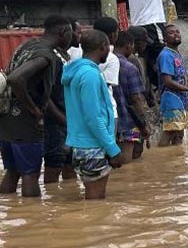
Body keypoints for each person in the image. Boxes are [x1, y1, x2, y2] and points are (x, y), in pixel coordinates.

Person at [0, 15, 73, 197]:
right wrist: (34, 109)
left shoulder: (27, 45)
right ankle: (33, 212)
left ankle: (15, 211)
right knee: (30, 174)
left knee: (12, 172)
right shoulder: (45, 56)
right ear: (63, 32)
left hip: (7, 119)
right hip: (25, 122)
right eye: (71, 33)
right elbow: (15, 79)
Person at [63, 29, 126, 199]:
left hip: (80, 145)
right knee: (96, 200)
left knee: (94, 199)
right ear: (103, 46)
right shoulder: (90, 75)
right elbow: (93, 117)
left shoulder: (77, 71)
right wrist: (112, 149)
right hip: (92, 146)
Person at [122, 0, 175, 88]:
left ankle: (152, 89)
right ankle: (166, 86)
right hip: (153, 22)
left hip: (137, 24)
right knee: (163, 56)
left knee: (146, 59)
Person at [43, 20, 80, 184]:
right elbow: (45, 94)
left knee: (70, 165)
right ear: (65, 32)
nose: (78, 36)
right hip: (57, 123)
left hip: (69, 121)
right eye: (76, 32)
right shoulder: (52, 58)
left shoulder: (64, 56)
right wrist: (62, 119)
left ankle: (69, 199)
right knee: (54, 166)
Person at [157, 24, 188, 146]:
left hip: (181, 99)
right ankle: (162, 155)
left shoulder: (176, 54)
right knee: (170, 131)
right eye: (171, 33)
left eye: (177, 32)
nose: (176, 34)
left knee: (179, 134)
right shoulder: (166, 55)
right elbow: (168, 81)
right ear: (165, 38)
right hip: (171, 99)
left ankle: (176, 157)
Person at [112, 31, 150, 160]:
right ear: (129, 45)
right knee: (129, 160)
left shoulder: (103, 62)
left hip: (109, 123)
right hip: (129, 124)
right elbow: (136, 99)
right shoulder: (129, 67)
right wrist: (144, 124)